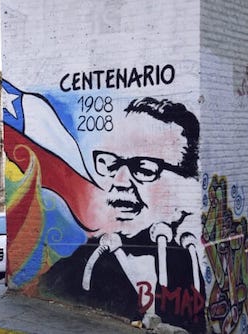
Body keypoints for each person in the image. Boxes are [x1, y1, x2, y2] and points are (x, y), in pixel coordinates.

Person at [39, 97, 206, 333]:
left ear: (188, 182)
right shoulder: (80, 267)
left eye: (144, 168)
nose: (119, 182)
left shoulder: (195, 260)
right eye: (111, 164)